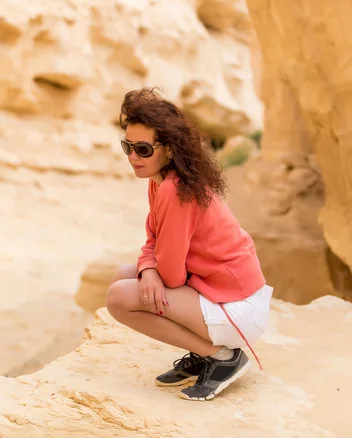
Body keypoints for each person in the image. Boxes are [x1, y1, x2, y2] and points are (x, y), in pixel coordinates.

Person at [106, 87, 273, 401]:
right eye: (127, 146)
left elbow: (170, 276)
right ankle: (203, 354)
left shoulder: (174, 190)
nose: (132, 157)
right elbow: (152, 241)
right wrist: (148, 268)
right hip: (215, 293)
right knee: (122, 277)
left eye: (142, 149)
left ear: (168, 149)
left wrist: (152, 272)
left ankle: (223, 358)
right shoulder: (161, 183)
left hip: (238, 308)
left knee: (119, 297)